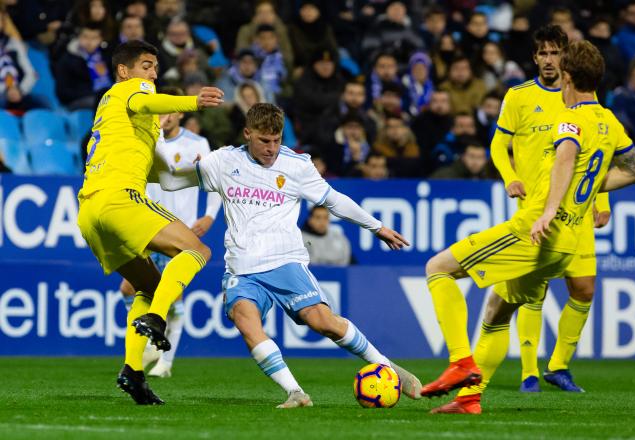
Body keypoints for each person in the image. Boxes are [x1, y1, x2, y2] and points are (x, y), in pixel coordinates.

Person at [419, 40, 635, 415]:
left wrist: (548, 211)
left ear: (568, 76)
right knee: (497, 313)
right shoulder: (610, 121)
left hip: (535, 230)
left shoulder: (571, 120)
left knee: (437, 268)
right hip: (568, 244)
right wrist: (585, 191)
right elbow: (634, 172)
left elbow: (564, 163)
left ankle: (461, 362)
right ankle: (468, 400)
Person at [156, 103, 422, 408]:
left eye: (277, 140)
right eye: (264, 141)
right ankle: (295, 392)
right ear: (248, 133)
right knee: (245, 321)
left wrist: (376, 227)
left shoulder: (296, 166)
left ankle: (389, 368)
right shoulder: (223, 161)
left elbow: (334, 200)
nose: (271, 149)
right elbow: (171, 180)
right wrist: (160, 139)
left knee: (323, 322)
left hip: (286, 262)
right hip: (242, 268)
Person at [76, 40, 223, 405]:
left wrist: (216, 176)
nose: (153, 74)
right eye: (146, 65)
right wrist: (191, 102)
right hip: (119, 199)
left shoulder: (128, 125)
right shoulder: (130, 92)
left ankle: (133, 372)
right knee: (198, 249)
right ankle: (158, 319)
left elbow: (171, 178)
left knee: (148, 284)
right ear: (124, 71)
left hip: (90, 213)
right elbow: (144, 100)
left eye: (155, 68)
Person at [489, 25, 614, 393]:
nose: (548, 60)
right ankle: (529, 372)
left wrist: (602, 199)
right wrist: (510, 176)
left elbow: (599, 151)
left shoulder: (579, 99)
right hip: (535, 212)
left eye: (555, 52)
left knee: (584, 288)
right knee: (532, 290)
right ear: (534, 58)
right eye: (542, 53)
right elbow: (499, 145)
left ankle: (558, 366)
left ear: (566, 58)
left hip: (576, 214)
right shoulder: (518, 97)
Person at [119, 86, 222, 379]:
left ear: (179, 112)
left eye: (167, 110)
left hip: (178, 228)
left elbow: (213, 182)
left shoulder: (197, 143)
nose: (162, 115)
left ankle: (165, 360)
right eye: (158, 109)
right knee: (128, 289)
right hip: (148, 226)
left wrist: (210, 216)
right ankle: (154, 343)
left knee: (172, 296)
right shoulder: (147, 138)